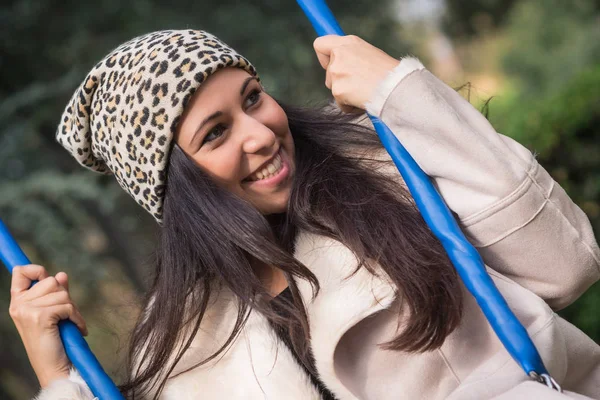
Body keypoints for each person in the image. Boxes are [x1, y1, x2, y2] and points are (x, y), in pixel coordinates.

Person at [8, 29, 600, 400]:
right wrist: (57, 380)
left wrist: (400, 94)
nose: (261, 133)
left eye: (252, 98)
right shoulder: (182, 349)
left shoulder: (385, 167)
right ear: (176, 191)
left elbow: (567, 264)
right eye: (216, 133)